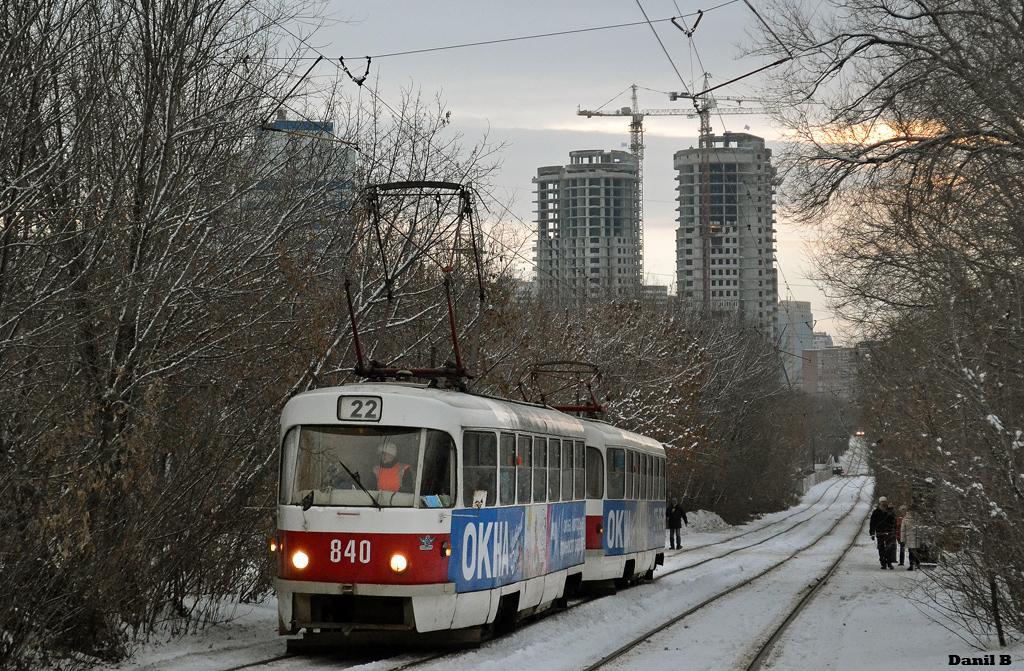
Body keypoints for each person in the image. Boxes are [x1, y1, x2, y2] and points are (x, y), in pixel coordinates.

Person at [869, 496, 897, 569]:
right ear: (880, 502)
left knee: (889, 548)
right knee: (881, 549)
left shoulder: (890, 511)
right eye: (882, 501)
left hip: (889, 532)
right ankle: (883, 563)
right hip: (880, 533)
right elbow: (872, 523)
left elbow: (894, 522)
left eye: (884, 501)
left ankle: (889, 562)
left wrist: (894, 530)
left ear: (886, 502)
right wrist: (872, 533)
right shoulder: (876, 512)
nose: (883, 503)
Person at [902, 505, 922, 571]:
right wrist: (902, 539)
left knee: (917, 551)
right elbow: (903, 530)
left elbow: (921, 528)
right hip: (909, 537)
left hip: (917, 537)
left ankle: (917, 564)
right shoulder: (905, 519)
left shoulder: (918, 518)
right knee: (911, 552)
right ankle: (911, 565)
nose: (911, 512)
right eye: (910, 511)